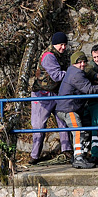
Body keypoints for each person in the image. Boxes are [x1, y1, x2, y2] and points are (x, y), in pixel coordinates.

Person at [56, 51, 98, 169]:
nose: (82, 64)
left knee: (83, 128)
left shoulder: (72, 71)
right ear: (74, 63)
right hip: (69, 109)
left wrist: (94, 76)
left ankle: (80, 154)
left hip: (65, 107)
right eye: (79, 63)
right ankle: (78, 158)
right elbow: (88, 90)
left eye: (84, 62)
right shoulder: (77, 74)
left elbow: (88, 72)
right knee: (78, 131)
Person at [29, 31, 73, 165]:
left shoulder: (60, 55)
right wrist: (74, 73)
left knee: (62, 120)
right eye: (60, 45)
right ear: (54, 44)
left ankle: (67, 150)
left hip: (55, 93)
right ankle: (34, 155)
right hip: (41, 95)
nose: (63, 47)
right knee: (39, 125)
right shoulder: (49, 56)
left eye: (65, 45)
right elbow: (57, 75)